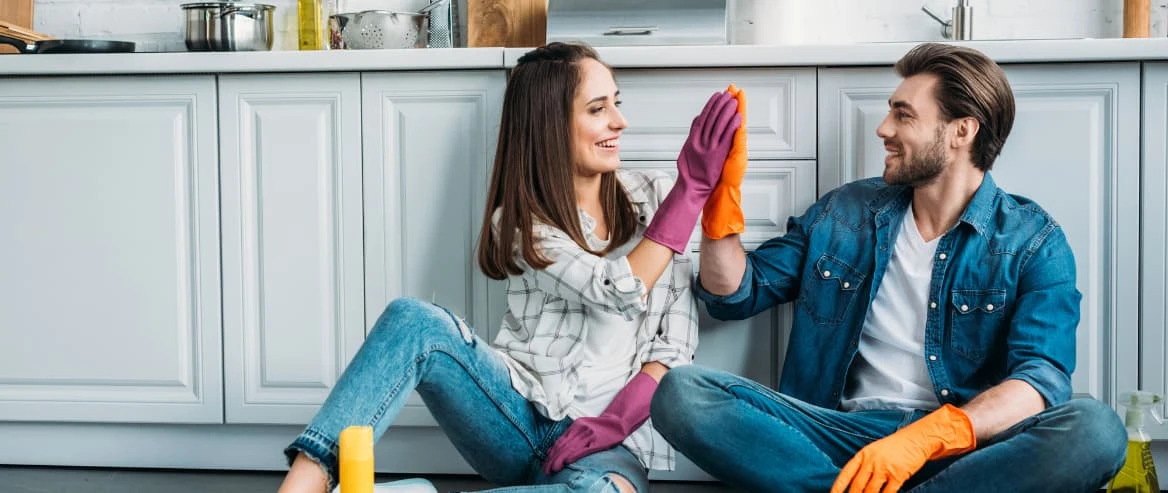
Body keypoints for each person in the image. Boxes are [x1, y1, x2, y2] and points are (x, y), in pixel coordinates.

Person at [649, 42, 1128, 492]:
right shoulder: (847, 212)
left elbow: (1040, 379)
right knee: (682, 393)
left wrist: (924, 438)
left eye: (903, 114)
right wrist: (718, 198)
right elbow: (735, 292)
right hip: (836, 433)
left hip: (962, 447)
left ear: (962, 130)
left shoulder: (1032, 241)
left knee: (1096, 430)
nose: (883, 128)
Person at [276, 41, 742, 493]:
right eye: (598, 109)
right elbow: (619, 290)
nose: (620, 122)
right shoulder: (522, 223)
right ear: (550, 124)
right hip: (518, 418)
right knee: (414, 321)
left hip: (610, 447)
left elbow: (674, 349)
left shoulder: (659, 197)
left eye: (615, 103)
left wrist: (612, 424)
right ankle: (304, 485)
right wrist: (692, 192)